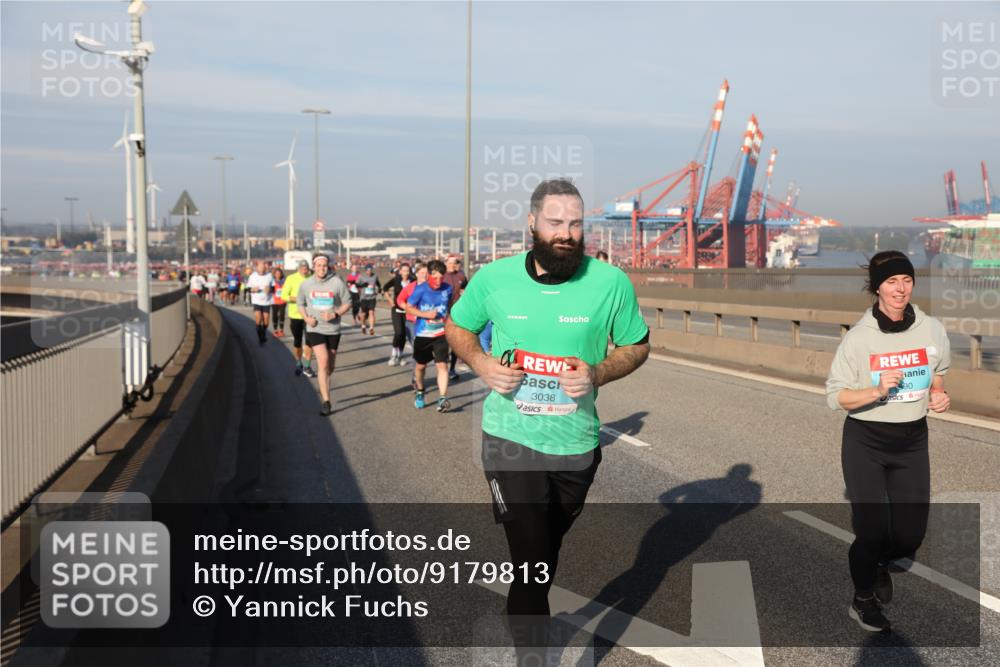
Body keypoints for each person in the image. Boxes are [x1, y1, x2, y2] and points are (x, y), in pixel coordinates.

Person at [445, 179, 650, 659]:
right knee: (531, 560)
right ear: (533, 223)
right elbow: (458, 327)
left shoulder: (609, 283)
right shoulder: (495, 278)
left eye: (576, 224)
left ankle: (528, 610)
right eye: (556, 222)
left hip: (576, 444)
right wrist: (482, 365)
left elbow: (638, 345)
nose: (567, 233)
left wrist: (598, 371)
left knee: (545, 551)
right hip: (509, 439)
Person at [826, 250, 951, 633]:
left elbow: (939, 373)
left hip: (912, 440)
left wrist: (939, 394)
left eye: (907, 281)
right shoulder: (859, 339)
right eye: (892, 281)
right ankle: (863, 598)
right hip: (866, 439)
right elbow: (836, 397)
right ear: (877, 287)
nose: (900, 289)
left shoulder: (931, 329)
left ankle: (879, 562)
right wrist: (876, 391)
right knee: (872, 530)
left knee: (911, 535)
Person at [298, 253, 352, 416]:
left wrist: (335, 314)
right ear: (313, 267)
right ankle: (326, 401)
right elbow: (300, 303)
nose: (321, 268)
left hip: (333, 329)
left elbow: (347, 302)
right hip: (315, 328)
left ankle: (326, 381)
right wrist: (307, 318)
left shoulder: (336, 282)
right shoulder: (306, 284)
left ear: (328, 267)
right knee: (323, 362)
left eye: (324, 265)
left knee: (330, 366)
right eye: (318, 265)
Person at [405, 259, 453, 412]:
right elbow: (408, 307)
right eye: (435, 278)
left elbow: (450, 307)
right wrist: (424, 314)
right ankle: (420, 391)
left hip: (441, 333)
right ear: (428, 276)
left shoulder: (448, 289)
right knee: (420, 367)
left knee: (442, 365)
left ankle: (442, 398)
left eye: (441, 277)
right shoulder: (420, 290)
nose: (438, 281)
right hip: (423, 334)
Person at [283, 259, 315, 377]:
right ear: (298, 269)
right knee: (297, 341)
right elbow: (283, 296)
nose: (304, 270)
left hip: (310, 315)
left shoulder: (313, 277)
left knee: (310, 340)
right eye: (302, 268)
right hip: (295, 314)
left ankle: (307, 365)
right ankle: (298, 362)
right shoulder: (291, 278)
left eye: (306, 268)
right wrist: (297, 299)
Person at [382, 262, 415, 366]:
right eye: (404, 270)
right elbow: (385, 288)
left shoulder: (413, 280)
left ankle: (400, 356)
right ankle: (393, 355)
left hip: (408, 311)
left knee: (404, 334)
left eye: (407, 271)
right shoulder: (396, 280)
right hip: (396, 310)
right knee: (399, 332)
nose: (405, 273)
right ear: (400, 271)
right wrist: (390, 301)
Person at [443, 255, 469, 381]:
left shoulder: (461, 276)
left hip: (456, 314)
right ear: (446, 263)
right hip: (442, 314)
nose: (452, 265)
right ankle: (442, 368)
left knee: (454, 342)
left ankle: (452, 369)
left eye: (455, 263)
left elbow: (467, 290)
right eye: (450, 263)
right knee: (443, 343)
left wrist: (464, 294)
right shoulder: (441, 276)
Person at [247, 260, 275, 346]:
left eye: (264, 267)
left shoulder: (269, 276)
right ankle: (261, 338)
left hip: (266, 301)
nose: (262, 269)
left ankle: (263, 333)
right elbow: (247, 289)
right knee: (258, 320)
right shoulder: (252, 276)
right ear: (257, 268)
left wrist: (269, 290)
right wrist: (253, 289)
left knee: (266, 322)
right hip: (256, 301)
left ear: (266, 267)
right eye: (260, 267)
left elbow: (274, 288)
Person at [356, 264, 382, 335]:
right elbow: (356, 285)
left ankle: (371, 328)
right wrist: (363, 285)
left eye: (370, 270)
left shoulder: (375, 276)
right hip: (364, 298)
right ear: (365, 271)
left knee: (371, 312)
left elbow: (378, 283)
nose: (369, 272)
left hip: (372, 297)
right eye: (368, 270)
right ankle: (363, 326)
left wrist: (379, 289)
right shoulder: (361, 277)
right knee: (363, 314)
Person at [271, 267, 287, 338]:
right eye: (276, 273)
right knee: (275, 315)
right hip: (274, 301)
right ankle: (275, 330)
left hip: (282, 301)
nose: (278, 275)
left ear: (281, 274)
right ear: (274, 274)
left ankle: (281, 330)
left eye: (279, 273)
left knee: (282, 315)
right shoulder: (272, 282)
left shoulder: (284, 281)